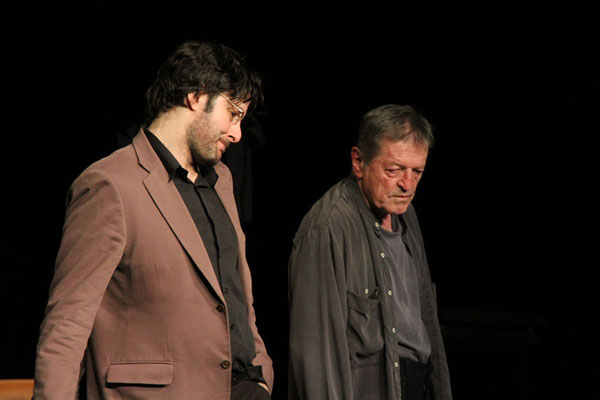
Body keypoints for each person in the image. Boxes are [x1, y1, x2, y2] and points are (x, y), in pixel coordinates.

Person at [34, 41, 273, 400]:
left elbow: (235, 292)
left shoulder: (221, 180)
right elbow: (68, 322)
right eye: (233, 113)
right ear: (196, 96)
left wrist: (259, 373)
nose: (238, 134)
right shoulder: (110, 185)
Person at [288, 105, 452, 400]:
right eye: (394, 170)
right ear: (359, 161)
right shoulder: (328, 228)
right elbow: (316, 356)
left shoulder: (406, 214)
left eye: (417, 172)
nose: (407, 184)